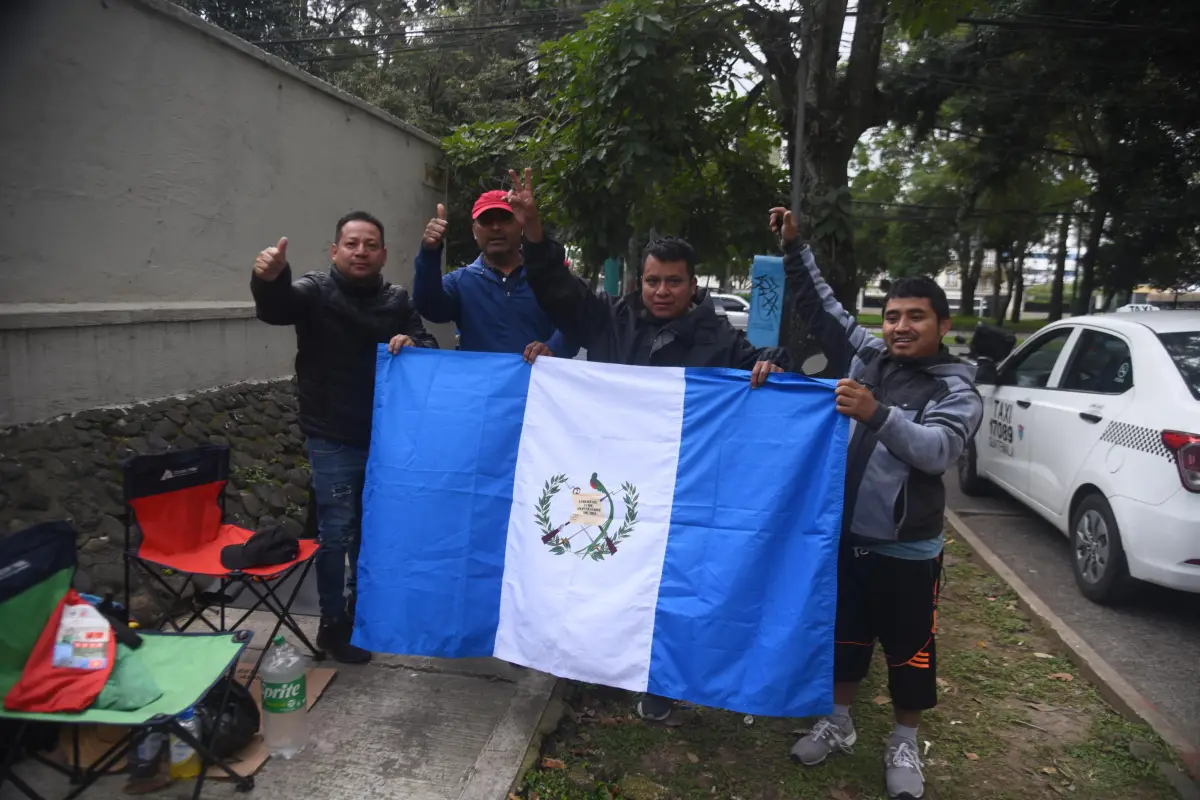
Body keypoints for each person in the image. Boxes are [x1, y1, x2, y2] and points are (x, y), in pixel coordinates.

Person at [509, 168, 791, 721]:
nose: (661, 291)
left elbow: (768, 371)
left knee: (675, 583)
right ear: (639, 281)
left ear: (693, 285)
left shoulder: (721, 340)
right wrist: (535, 232)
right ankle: (599, 662)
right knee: (604, 568)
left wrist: (771, 366)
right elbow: (558, 290)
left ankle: (662, 678)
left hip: (683, 488)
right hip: (614, 483)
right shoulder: (607, 319)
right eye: (653, 281)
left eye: (674, 282)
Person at [770, 207, 982, 800]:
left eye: (916, 317)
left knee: (910, 649)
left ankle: (905, 744)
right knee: (845, 635)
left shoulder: (955, 388)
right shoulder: (868, 357)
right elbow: (823, 308)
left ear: (941, 324)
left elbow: (938, 450)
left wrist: (877, 413)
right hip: (847, 539)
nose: (901, 327)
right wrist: (794, 247)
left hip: (909, 549)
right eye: (892, 316)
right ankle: (838, 723)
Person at [251, 210, 438, 664]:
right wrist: (270, 280)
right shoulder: (314, 291)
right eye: (351, 243)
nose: (361, 251)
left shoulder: (397, 300)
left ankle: (361, 615)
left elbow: (429, 345)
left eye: (370, 244)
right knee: (336, 534)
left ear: (383, 255)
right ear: (335, 251)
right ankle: (332, 624)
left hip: (385, 439)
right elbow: (278, 308)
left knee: (371, 537)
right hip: (331, 436)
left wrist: (413, 345)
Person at [412, 192, 579, 362]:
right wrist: (429, 252)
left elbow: (576, 322)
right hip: (480, 387)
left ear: (520, 225)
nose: (496, 227)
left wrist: (552, 348)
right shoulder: (460, 282)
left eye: (505, 219)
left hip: (537, 386)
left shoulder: (546, 277)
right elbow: (429, 307)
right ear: (474, 231)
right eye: (486, 221)